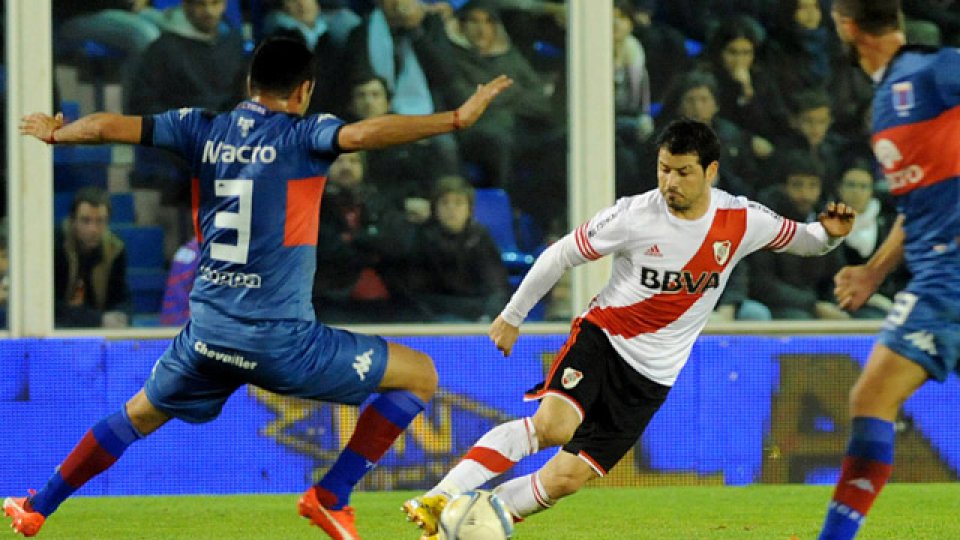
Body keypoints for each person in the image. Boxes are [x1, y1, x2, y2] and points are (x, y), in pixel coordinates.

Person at [8, 37, 511, 540]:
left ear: (251, 83)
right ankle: (330, 496)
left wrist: (60, 134)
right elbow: (363, 135)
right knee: (419, 374)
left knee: (137, 413)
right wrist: (454, 119)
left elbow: (110, 126)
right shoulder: (304, 135)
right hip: (281, 341)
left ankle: (35, 507)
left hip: (207, 335)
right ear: (305, 91)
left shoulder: (199, 127)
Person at [403, 119, 857, 539]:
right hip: (604, 338)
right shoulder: (633, 215)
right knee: (554, 425)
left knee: (565, 479)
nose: (669, 183)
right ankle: (439, 496)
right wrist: (512, 316)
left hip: (652, 377)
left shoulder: (741, 220)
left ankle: (464, 525)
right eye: (663, 170)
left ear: (711, 171)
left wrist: (832, 233)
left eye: (682, 172)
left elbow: (808, 240)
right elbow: (559, 254)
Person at [817, 1, 960, 538]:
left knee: (871, 397)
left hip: (950, 273)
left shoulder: (933, 69)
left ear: (847, 28)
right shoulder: (886, 100)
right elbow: (920, 203)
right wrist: (874, 272)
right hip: (933, 269)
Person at [407, 175, 511, 322]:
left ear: (470, 209)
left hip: (480, 313)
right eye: (444, 203)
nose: (451, 209)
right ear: (435, 209)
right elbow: (418, 293)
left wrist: (489, 315)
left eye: (458, 203)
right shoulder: (423, 239)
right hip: (436, 317)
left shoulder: (480, 237)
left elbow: (497, 285)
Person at [54, 186, 131, 329]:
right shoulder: (54, 245)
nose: (93, 229)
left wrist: (121, 315)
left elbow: (121, 298)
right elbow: (49, 306)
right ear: (73, 221)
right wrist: (96, 319)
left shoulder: (115, 250)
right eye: (85, 220)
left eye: (100, 221)